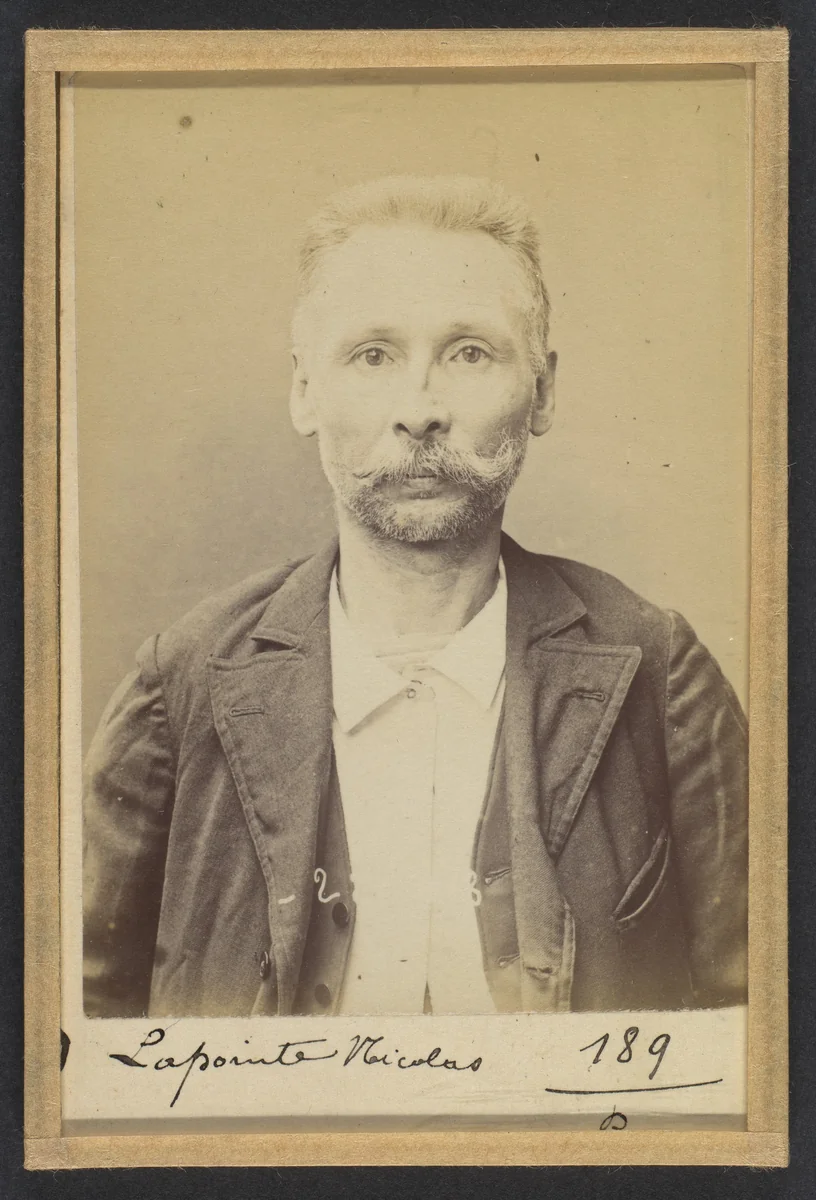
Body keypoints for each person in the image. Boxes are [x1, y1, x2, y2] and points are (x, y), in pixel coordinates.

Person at [83, 175, 748, 1019]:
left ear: (542, 390)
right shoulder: (179, 684)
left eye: (470, 352)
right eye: (372, 355)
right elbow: (68, 1037)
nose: (420, 409)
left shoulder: (660, 671)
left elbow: (763, 1038)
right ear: (304, 391)